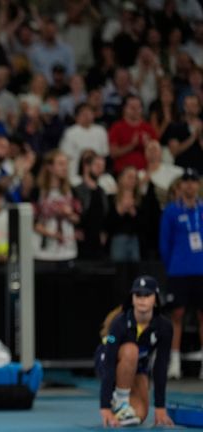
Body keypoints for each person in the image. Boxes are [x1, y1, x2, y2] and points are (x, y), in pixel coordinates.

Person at [95, 276, 174, 428]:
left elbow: (161, 365)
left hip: (138, 365)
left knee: (139, 415)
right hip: (109, 361)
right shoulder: (118, 323)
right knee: (131, 350)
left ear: (155, 299)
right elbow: (109, 360)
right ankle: (120, 402)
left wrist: (160, 407)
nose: (142, 300)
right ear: (132, 299)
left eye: (147, 295)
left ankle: (119, 404)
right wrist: (104, 407)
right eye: (138, 295)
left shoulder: (164, 327)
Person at [159, 168, 203, 379]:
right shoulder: (171, 211)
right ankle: (174, 362)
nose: (190, 185)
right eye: (186, 181)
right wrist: (173, 265)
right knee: (176, 315)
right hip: (179, 270)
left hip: (201, 269)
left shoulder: (202, 210)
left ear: (198, 185)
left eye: (193, 181)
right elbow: (164, 243)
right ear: (181, 185)